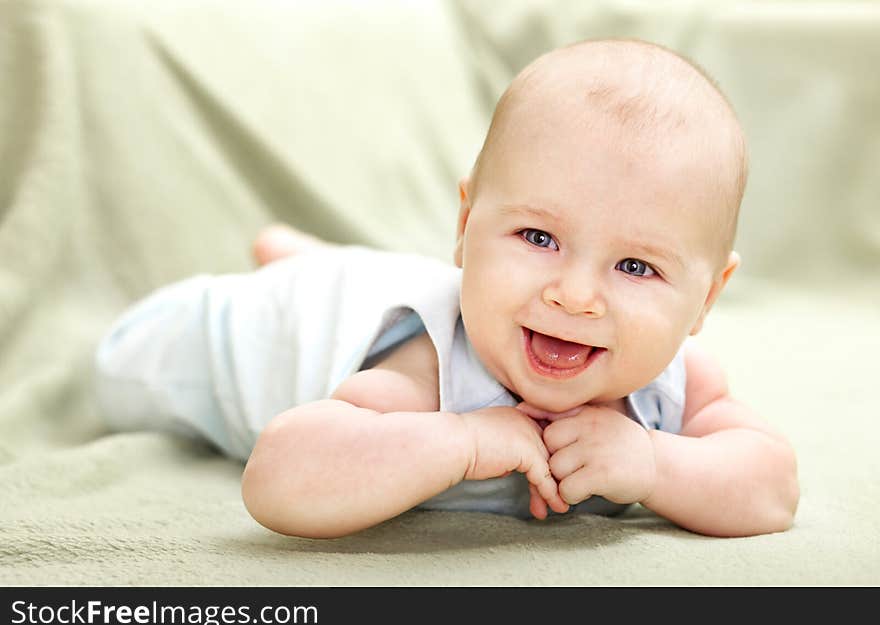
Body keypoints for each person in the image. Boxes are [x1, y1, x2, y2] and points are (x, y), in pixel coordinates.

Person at [94, 38, 799, 540]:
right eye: (539, 238)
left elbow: (771, 485)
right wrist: (461, 440)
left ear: (707, 298)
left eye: (637, 267)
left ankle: (307, 255)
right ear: (465, 224)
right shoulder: (430, 366)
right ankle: (293, 269)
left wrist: (654, 462)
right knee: (120, 366)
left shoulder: (673, 381)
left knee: (421, 284)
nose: (575, 295)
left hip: (396, 283)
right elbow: (280, 475)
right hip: (251, 330)